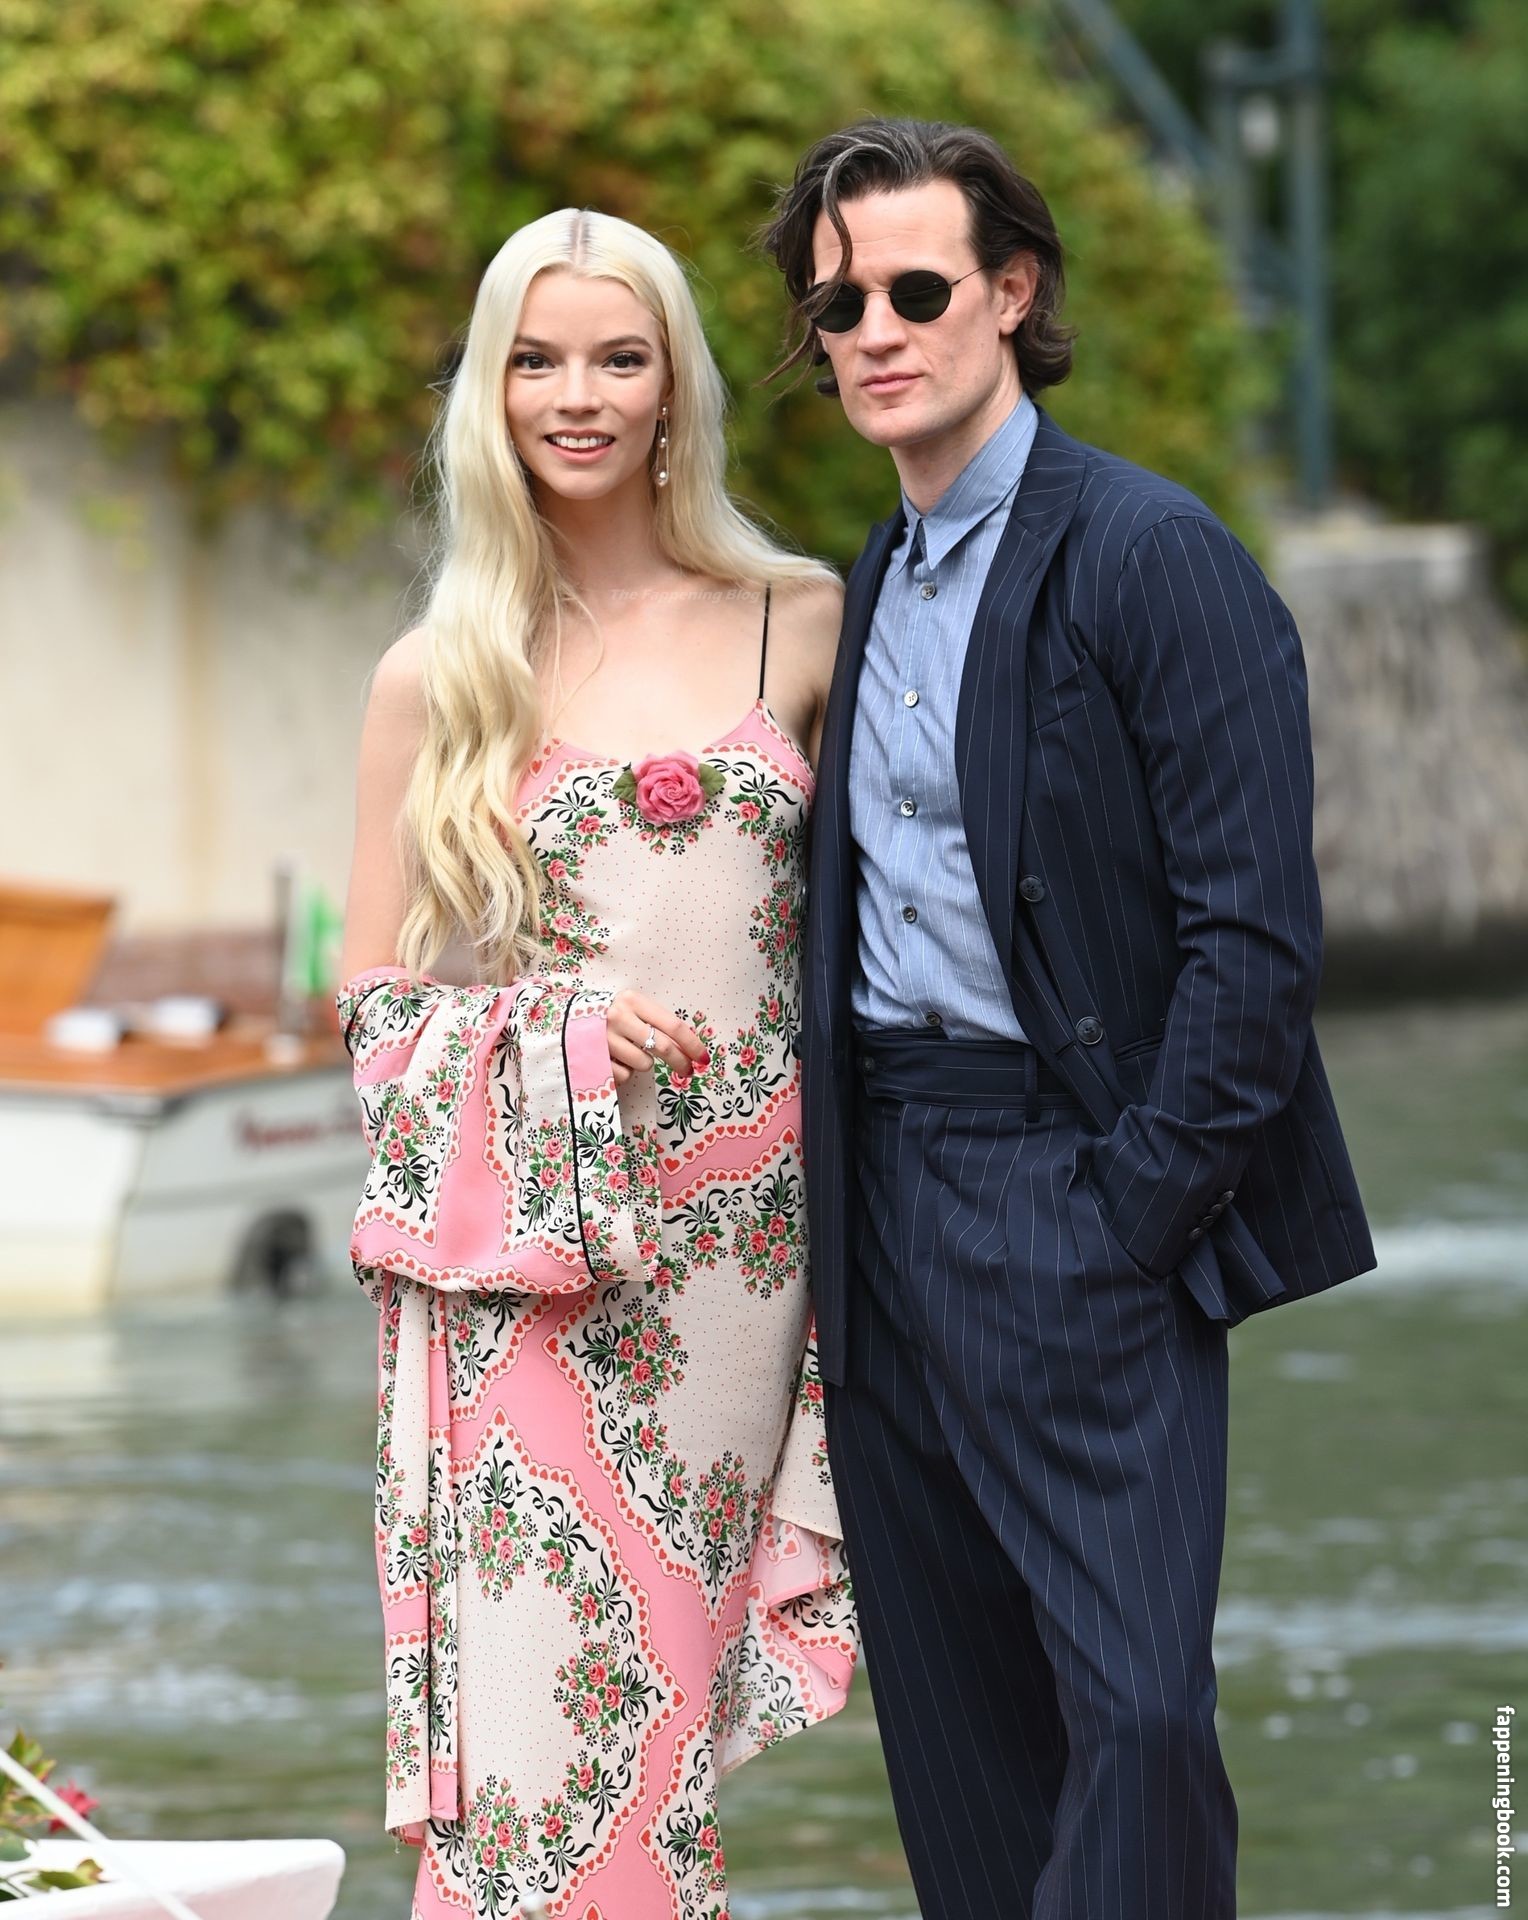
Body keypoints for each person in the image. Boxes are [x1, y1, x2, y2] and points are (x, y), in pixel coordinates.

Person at [761, 119, 1376, 1919]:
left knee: (1140, 1719)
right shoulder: (866, 582)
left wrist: (1133, 1213)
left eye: (917, 288)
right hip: (879, 1208)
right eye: (840, 306)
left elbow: (1256, 942)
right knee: (963, 1743)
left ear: (1014, 292)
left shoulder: (1154, 555)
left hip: (1076, 1195)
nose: (877, 332)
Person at [338, 206, 856, 1920]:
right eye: (536, 360)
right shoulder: (439, 674)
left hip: (745, 1278)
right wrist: (547, 1031)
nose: (578, 396)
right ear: (490, 393)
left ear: (673, 385)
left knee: (657, 1739)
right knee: (543, 1751)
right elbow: (372, 1012)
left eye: (618, 358)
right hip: (539, 1276)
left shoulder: (803, 622)